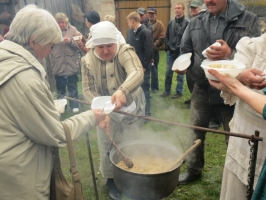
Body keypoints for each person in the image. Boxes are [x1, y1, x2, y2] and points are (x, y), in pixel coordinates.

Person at [0, 5, 106, 199]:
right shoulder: (25, 81)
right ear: (33, 41)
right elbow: (56, 134)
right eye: (49, 45)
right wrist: (93, 116)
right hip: (21, 179)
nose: (50, 51)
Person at [177, 0, 261, 185]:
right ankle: (194, 170)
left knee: (235, 135)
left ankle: (238, 177)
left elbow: (258, 60)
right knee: (196, 131)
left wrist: (229, 55)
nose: (209, 1)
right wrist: (183, 64)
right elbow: (185, 50)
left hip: (232, 92)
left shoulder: (249, 19)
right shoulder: (196, 21)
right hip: (201, 87)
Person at [81, 21, 145, 200]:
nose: (106, 51)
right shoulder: (87, 60)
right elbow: (87, 88)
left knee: (132, 138)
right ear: (93, 46)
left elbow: (137, 72)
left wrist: (123, 90)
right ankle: (111, 179)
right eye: (100, 47)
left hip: (131, 105)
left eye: (109, 46)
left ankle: (134, 174)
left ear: (116, 42)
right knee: (106, 142)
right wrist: (101, 112)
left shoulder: (125, 51)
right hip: (104, 107)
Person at [207, 34, 266, 199]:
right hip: (245, 133)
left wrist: (235, 84)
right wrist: (239, 77)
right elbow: (236, 67)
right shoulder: (254, 45)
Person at [50, 12, 81, 114]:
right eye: (59, 23)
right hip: (58, 64)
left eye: (62, 22)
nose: (61, 25)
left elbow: (79, 45)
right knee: (60, 88)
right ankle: (61, 107)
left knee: (72, 86)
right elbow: (47, 47)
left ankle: (74, 106)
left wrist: (70, 42)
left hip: (71, 63)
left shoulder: (73, 30)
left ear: (66, 21)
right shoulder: (51, 31)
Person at [126, 11, 154, 116]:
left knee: (145, 89)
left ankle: (147, 113)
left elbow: (149, 50)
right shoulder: (132, 32)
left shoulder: (145, 32)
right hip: (134, 66)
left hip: (143, 67)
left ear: (132, 21)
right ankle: (138, 109)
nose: (128, 25)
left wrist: (144, 66)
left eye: (128, 22)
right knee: (136, 89)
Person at [161, 3, 189, 99]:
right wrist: (167, 46)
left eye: (179, 8)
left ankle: (179, 92)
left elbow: (187, 38)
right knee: (168, 72)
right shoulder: (171, 22)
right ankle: (167, 90)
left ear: (183, 10)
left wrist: (182, 49)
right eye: (176, 8)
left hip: (180, 52)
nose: (177, 10)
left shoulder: (187, 23)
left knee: (180, 73)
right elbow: (167, 35)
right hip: (170, 51)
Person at [147, 7, 165, 93]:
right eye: (149, 13)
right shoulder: (144, 23)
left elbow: (162, 36)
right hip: (146, 51)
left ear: (156, 15)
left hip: (154, 51)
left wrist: (155, 44)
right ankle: (145, 86)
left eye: (152, 13)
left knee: (154, 69)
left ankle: (154, 87)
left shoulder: (159, 24)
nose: (150, 15)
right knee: (145, 69)